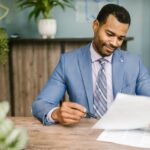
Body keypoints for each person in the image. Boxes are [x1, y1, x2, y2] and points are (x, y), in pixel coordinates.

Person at [32, 4, 150, 126]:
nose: (115, 43)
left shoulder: (134, 63)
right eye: (109, 34)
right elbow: (40, 104)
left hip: (122, 134)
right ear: (95, 26)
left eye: (120, 38)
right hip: (84, 134)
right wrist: (56, 113)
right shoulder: (68, 62)